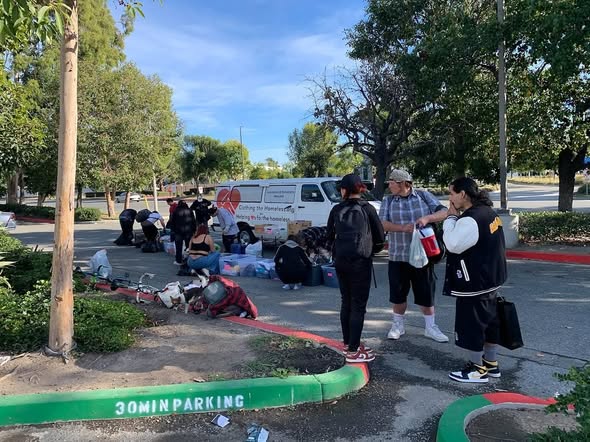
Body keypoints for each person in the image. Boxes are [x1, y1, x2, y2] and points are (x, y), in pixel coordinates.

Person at [443, 177, 507, 383]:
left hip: (474, 282)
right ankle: (491, 363)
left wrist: (450, 219)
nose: (450, 198)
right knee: (490, 323)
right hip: (491, 279)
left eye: (452, 193)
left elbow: (452, 244)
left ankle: (477, 369)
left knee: (472, 325)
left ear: (463, 194)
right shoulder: (488, 212)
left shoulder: (470, 219)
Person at [379, 169, 449, 343]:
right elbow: (382, 224)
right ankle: (398, 325)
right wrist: (403, 228)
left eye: (392, 182)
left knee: (426, 293)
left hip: (422, 256)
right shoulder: (388, 201)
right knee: (398, 294)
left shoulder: (423, 196)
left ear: (403, 183)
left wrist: (427, 219)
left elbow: (444, 212)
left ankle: (430, 327)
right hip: (398, 255)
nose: (389, 185)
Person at [326, 173, 385, 363]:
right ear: (360, 189)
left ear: (344, 190)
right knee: (358, 305)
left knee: (346, 302)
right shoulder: (367, 208)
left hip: (341, 261)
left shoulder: (336, 209)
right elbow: (380, 237)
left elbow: (328, 235)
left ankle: (348, 343)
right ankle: (353, 350)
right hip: (361, 261)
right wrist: (372, 250)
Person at [168, 200, 196, 265]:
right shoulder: (190, 210)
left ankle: (178, 260)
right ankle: (189, 260)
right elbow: (193, 221)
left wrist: (173, 230)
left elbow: (172, 222)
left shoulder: (176, 211)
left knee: (178, 247)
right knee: (189, 246)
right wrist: (194, 231)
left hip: (178, 231)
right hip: (188, 231)